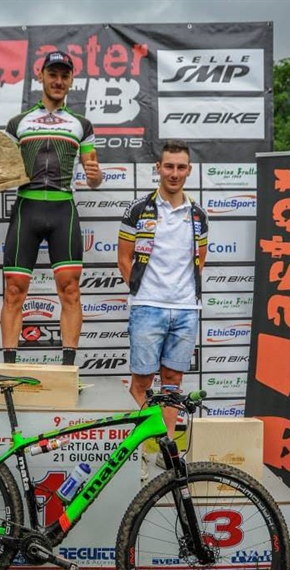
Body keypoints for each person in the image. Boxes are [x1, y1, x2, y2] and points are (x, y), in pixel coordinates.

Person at [0, 51, 102, 365]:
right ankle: (9, 367)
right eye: (53, 74)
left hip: (63, 210)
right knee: (14, 291)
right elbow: (0, 171)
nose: (58, 81)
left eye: (64, 76)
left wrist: (95, 176)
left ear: (71, 81)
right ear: (41, 76)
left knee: (70, 291)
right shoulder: (18, 123)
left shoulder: (82, 124)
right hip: (27, 208)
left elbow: (94, 177)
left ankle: (67, 369)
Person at [117, 140, 208, 466]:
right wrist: (143, 292)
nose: (174, 173)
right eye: (169, 166)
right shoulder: (138, 209)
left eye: (181, 167)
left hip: (186, 310)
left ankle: (165, 451)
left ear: (189, 170)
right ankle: (144, 448)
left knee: (172, 383)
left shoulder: (198, 214)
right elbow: (123, 258)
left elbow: (200, 261)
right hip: (147, 307)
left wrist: (181, 295)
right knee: (142, 383)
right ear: (158, 168)